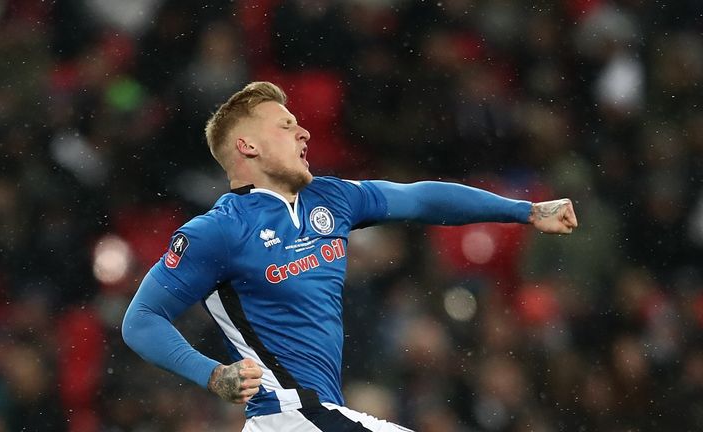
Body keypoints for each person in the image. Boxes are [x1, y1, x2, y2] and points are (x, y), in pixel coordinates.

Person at [121, 81, 578, 431]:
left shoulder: (329, 200)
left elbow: (421, 199)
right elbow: (141, 319)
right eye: (285, 125)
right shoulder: (218, 231)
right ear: (248, 146)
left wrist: (524, 210)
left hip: (316, 415)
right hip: (287, 417)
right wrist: (212, 374)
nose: (302, 132)